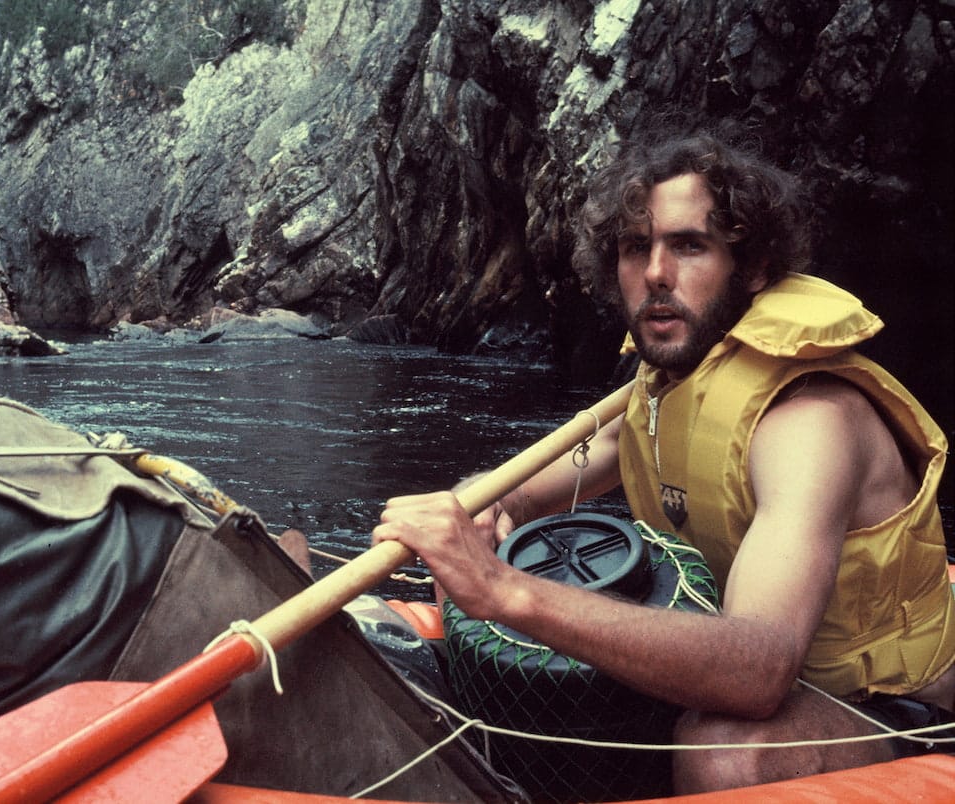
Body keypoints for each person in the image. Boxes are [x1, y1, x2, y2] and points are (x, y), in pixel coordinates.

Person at [371, 122, 955, 793]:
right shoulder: (662, 390)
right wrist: (481, 506)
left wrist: (505, 590)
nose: (654, 273)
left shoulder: (809, 421)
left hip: (889, 719)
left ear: (756, 266)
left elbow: (760, 671)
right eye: (635, 248)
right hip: (745, 678)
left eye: (689, 246)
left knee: (727, 750)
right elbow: (513, 492)